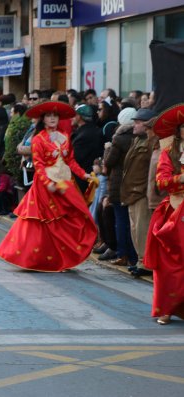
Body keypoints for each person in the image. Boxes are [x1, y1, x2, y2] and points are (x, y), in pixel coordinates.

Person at [0, 101, 96, 272]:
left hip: (65, 182)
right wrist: (48, 183)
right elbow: (39, 165)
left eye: (55, 116)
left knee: (74, 218)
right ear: (43, 119)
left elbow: (70, 160)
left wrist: (83, 174)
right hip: (45, 185)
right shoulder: (38, 139)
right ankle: (42, 259)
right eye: (49, 116)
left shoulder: (65, 135)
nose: (52, 119)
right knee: (48, 224)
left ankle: (64, 257)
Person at [143, 104, 184, 325]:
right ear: (179, 130)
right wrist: (179, 179)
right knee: (169, 265)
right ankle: (166, 308)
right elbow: (161, 182)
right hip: (175, 212)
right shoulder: (169, 153)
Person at [122, 108, 157, 277]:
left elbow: (152, 170)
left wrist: (146, 190)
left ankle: (145, 263)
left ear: (147, 124)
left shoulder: (152, 142)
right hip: (131, 190)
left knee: (142, 228)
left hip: (141, 191)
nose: (134, 125)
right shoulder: (136, 140)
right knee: (135, 228)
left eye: (138, 122)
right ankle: (140, 260)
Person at [103, 107, 138, 268]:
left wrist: (107, 149)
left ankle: (122, 254)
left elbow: (109, 162)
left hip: (118, 184)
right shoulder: (138, 137)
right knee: (131, 222)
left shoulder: (118, 138)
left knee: (121, 220)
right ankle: (133, 256)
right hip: (133, 184)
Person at [71, 104, 103, 193]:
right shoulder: (93, 130)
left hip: (81, 180)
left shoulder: (84, 136)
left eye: (74, 115)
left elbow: (74, 159)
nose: (71, 117)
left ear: (79, 117)